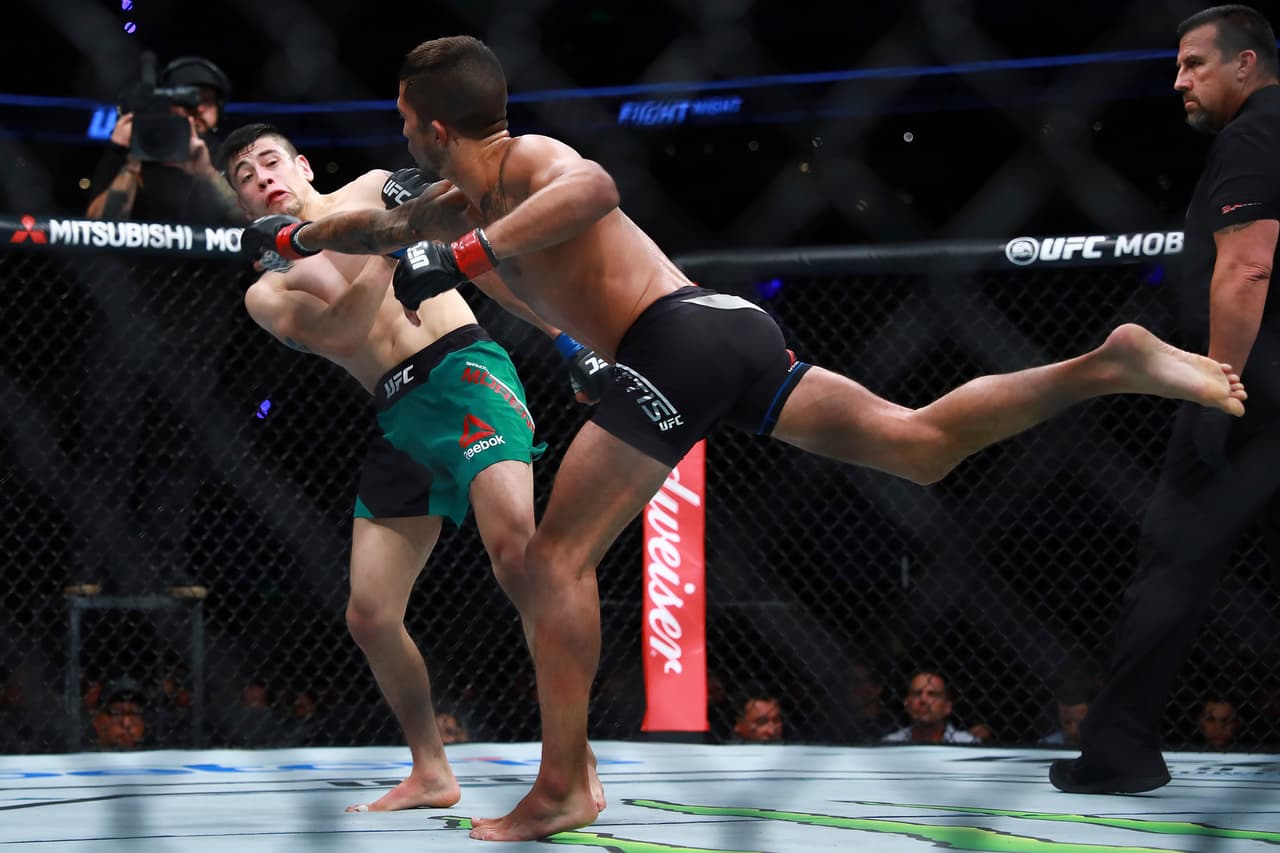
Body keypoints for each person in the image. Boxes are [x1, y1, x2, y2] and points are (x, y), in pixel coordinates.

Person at [240, 36, 1246, 840]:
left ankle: (562, 786)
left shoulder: (525, 163)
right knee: (917, 443)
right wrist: (305, 232)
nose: (402, 136)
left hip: (675, 338)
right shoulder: (463, 189)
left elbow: (591, 190)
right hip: (724, 333)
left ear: (424, 122)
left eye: (405, 122)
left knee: (552, 560)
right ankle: (1102, 363)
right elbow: (379, 229)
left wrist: (470, 250)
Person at [220, 122, 609, 813]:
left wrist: (567, 338)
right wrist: (384, 236)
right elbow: (342, 331)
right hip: (397, 414)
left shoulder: (371, 188)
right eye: (245, 177)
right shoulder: (266, 293)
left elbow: (480, 251)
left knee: (518, 558)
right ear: (243, 205)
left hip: (463, 371)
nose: (262, 176)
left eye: (269, 160)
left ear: (302, 162)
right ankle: (431, 770)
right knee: (370, 614)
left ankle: (574, 761)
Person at [1050, 4, 1280, 795]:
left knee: (1171, 563)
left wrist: (1217, 384)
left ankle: (1120, 749)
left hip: (1247, 384)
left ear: (1246, 65)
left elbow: (1248, 266)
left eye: (1194, 64)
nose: (1179, 80)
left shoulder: (1255, 133)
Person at [87, 55, 245, 225]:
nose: (197, 108)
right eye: (186, 100)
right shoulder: (131, 147)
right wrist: (131, 161)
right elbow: (98, 227)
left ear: (218, 110)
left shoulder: (228, 154)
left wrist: (206, 173)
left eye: (206, 100)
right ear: (167, 104)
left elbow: (251, 217)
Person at [881, 671, 979, 745]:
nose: (923, 700)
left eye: (932, 694)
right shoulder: (890, 743)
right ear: (906, 703)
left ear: (947, 706)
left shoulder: (968, 744)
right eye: (917, 693)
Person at [91, 678, 148, 750]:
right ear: (96, 719)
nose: (126, 723)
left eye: (135, 713)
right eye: (116, 713)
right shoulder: (83, 758)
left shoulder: (154, 758)